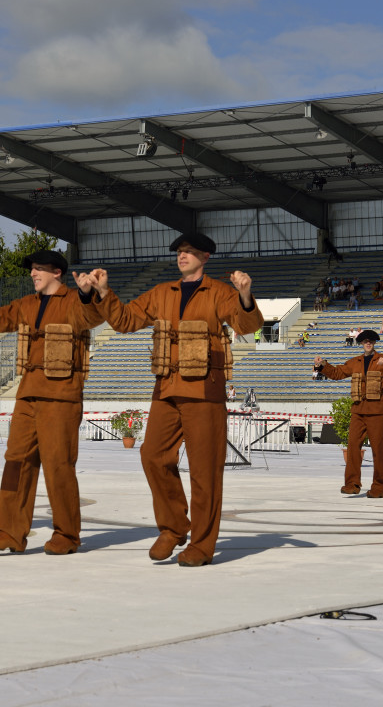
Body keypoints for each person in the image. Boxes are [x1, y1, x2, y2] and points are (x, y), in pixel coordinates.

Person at [89, 232, 263, 566]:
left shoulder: (220, 292)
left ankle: (202, 544)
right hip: (166, 388)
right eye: (179, 251)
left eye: (189, 252)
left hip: (204, 391)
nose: (182, 256)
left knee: (204, 471)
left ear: (206, 257)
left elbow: (247, 323)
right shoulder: (161, 292)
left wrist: (244, 295)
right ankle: (174, 526)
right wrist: (103, 293)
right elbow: (125, 321)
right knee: (152, 455)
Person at [0, 250, 104, 555]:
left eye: (38, 268)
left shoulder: (73, 302)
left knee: (59, 466)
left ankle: (67, 535)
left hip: (62, 395)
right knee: (16, 461)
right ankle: (10, 532)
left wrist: (87, 294)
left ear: (57, 272)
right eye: (31, 269)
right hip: (28, 394)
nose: (32, 273)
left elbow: (93, 316)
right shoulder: (26, 305)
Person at [315, 330, 383, 498]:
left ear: (374, 343)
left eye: (370, 341)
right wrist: (323, 365)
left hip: (377, 411)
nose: (368, 343)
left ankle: (380, 486)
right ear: (361, 344)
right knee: (353, 447)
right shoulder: (355, 362)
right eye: (365, 341)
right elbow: (338, 373)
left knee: (378, 450)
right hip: (358, 411)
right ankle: (352, 484)